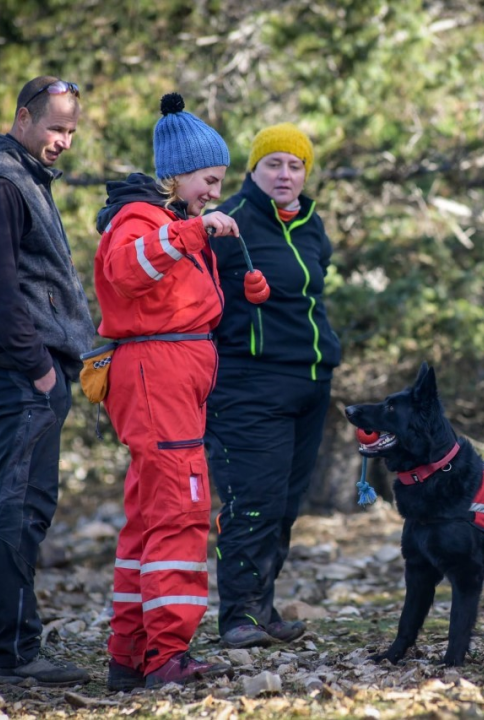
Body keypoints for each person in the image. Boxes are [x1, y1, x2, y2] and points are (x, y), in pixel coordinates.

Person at [93, 93, 239, 690]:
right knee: (181, 508)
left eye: (220, 181)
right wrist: (190, 232)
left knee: (149, 516)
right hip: (158, 374)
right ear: (177, 173)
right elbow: (125, 271)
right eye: (208, 179)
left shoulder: (165, 221)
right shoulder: (144, 221)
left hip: (168, 374)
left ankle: (130, 653)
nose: (214, 191)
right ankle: (167, 655)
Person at [0, 76, 95, 686]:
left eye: (70, 130)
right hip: (22, 369)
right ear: (22, 119)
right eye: (55, 127)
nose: (63, 140)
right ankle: (13, 655)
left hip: (34, 369)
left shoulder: (26, 180)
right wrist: (41, 370)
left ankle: (9, 648)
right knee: (19, 505)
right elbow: (0, 289)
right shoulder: (1, 185)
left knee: (27, 506)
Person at [206, 123, 341, 649]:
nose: (285, 175)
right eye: (274, 164)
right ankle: (237, 616)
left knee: (285, 503)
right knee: (251, 501)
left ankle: (261, 609)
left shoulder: (311, 223)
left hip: (309, 383)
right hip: (248, 385)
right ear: (253, 170)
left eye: (296, 165)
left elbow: (315, 286)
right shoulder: (229, 223)